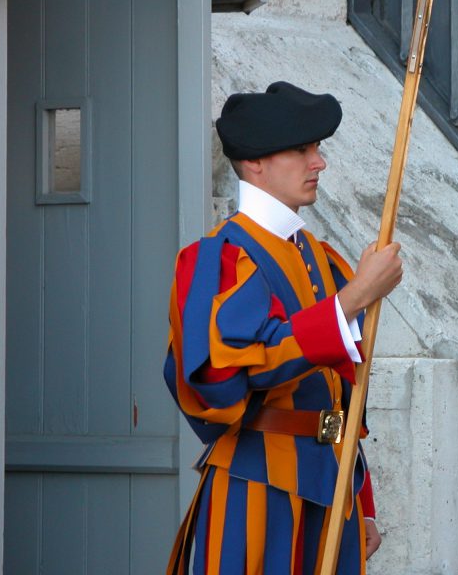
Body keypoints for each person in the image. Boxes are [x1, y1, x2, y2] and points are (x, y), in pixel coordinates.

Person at [164, 81, 402, 574]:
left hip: (332, 487)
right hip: (256, 487)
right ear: (255, 161)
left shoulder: (319, 255)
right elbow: (235, 371)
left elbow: (341, 394)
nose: (319, 162)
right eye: (302, 149)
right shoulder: (219, 258)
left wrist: (363, 494)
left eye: (317, 148)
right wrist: (354, 298)